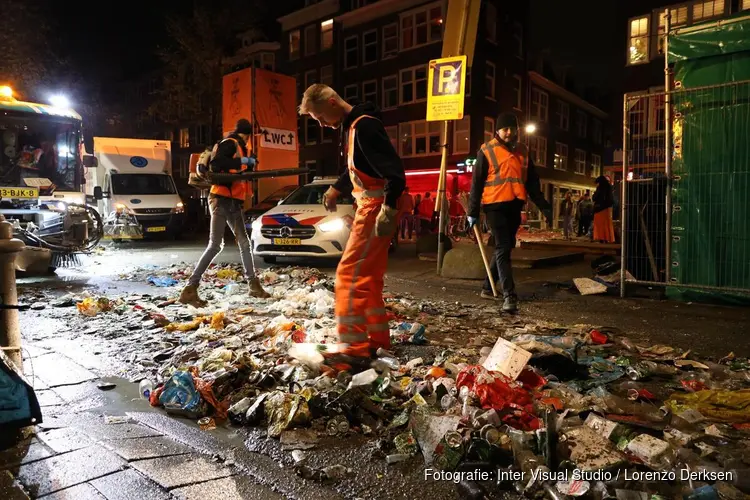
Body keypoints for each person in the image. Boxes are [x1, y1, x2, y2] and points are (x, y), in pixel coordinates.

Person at [298, 83, 405, 367]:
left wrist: (389, 208)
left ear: (332, 102)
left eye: (321, 117)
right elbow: (358, 169)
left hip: (374, 207)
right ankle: (377, 341)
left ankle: (353, 346)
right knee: (367, 278)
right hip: (372, 205)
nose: (322, 124)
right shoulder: (354, 127)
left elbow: (395, 171)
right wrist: (336, 188)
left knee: (348, 275)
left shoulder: (364, 127)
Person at [179, 118, 271, 306]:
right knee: (223, 244)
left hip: (228, 200)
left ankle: (251, 285)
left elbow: (235, 170)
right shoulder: (231, 144)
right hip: (223, 199)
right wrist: (244, 161)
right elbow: (218, 164)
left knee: (234, 244)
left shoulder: (235, 145)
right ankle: (191, 288)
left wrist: (248, 163)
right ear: (247, 134)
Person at [468, 112, 552, 312]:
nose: (508, 132)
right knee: (504, 247)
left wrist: (545, 206)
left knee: (504, 247)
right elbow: (477, 183)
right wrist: (472, 211)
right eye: (505, 129)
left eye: (512, 129)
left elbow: (532, 182)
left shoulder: (523, 151)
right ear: (497, 130)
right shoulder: (487, 150)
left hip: (515, 206)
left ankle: (488, 287)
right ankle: (509, 295)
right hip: (494, 206)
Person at [593, 175, 616, 243]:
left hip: (599, 209)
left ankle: (601, 238)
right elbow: (611, 200)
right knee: (606, 224)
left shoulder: (600, 188)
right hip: (607, 208)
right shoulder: (609, 187)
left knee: (599, 225)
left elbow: (594, 198)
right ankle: (607, 237)